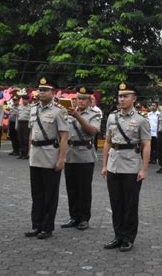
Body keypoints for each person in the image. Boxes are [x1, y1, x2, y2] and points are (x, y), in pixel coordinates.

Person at [102, 82, 151, 252]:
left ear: (134, 98)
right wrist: (104, 165)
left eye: (126, 96)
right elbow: (107, 142)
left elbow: (146, 145)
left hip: (131, 167)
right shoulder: (111, 117)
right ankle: (118, 236)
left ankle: (128, 238)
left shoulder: (141, 120)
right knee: (116, 204)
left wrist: (144, 169)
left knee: (130, 205)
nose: (122, 99)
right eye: (120, 96)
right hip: (113, 165)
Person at [24, 77, 68, 240]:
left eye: (45, 90)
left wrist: (61, 159)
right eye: (40, 89)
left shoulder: (59, 111)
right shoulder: (34, 109)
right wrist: (29, 152)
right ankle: (36, 225)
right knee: (37, 193)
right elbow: (31, 133)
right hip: (36, 155)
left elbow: (64, 137)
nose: (41, 92)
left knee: (50, 194)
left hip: (50, 154)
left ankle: (47, 227)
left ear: (53, 92)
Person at [61, 86, 101, 231]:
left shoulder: (94, 115)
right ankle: (74, 217)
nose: (81, 101)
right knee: (71, 189)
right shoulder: (66, 113)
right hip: (70, 154)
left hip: (85, 155)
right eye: (79, 98)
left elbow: (92, 131)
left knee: (84, 189)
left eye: (84, 99)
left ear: (90, 101)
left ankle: (84, 218)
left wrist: (77, 116)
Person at [16, 95, 31, 159]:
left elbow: (31, 117)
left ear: (28, 100)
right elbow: (17, 117)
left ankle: (25, 153)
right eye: (23, 99)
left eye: (26, 99)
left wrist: (30, 125)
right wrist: (16, 125)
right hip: (20, 123)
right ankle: (21, 153)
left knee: (25, 139)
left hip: (26, 123)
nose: (24, 101)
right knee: (20, 138)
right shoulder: (19, 107)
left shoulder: (31, 107)